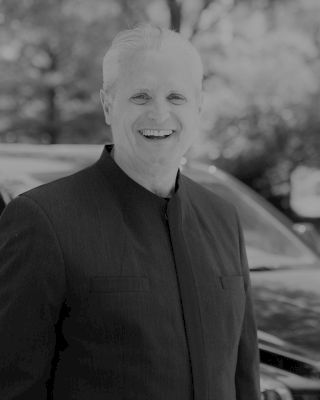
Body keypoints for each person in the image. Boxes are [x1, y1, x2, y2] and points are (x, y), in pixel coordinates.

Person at [0, 24, 260, 399]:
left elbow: (243, 377)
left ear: (199, 106)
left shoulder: (224, 218)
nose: (159, 114)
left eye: (176, 97)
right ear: (108, 104)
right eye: (140, 96)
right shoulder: (43, 221)